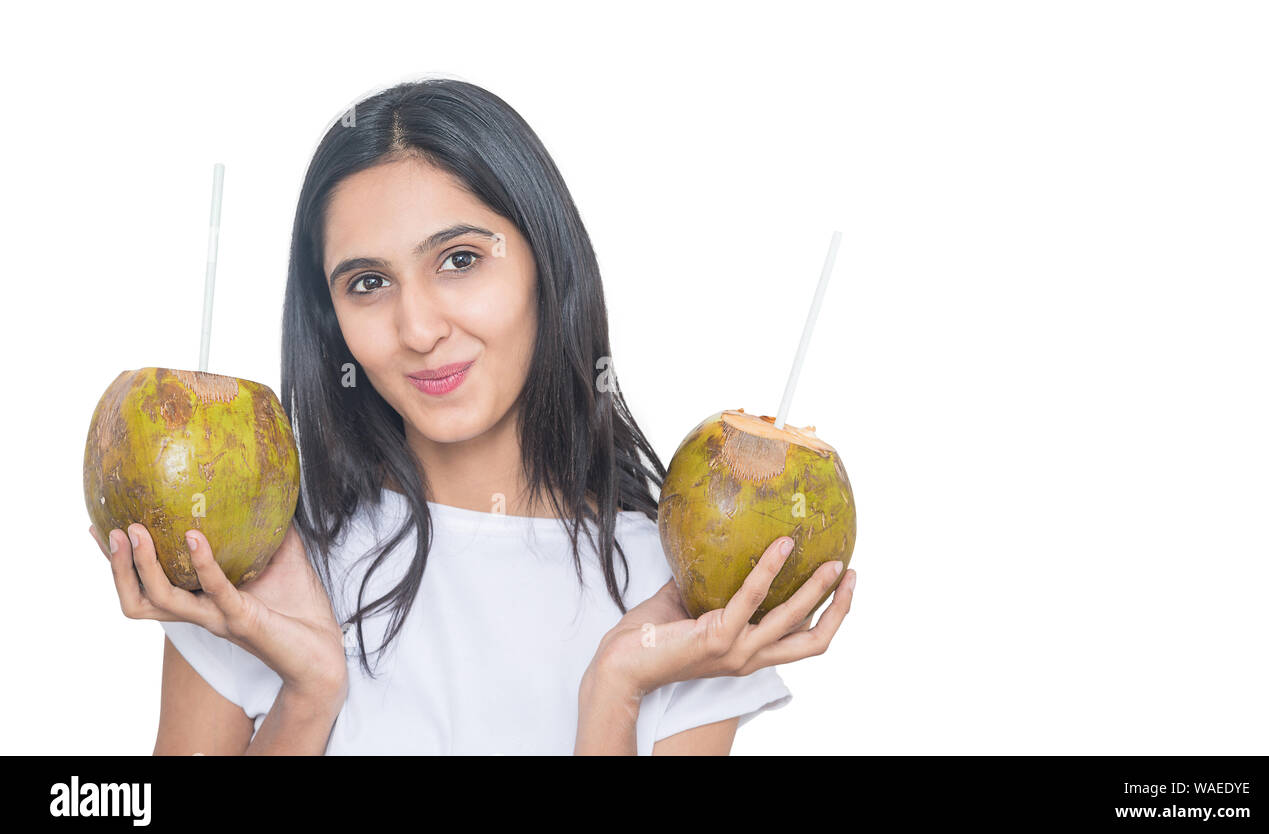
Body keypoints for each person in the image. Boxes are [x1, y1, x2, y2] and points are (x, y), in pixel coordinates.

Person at [87, 77, 856, 755]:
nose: (418, 330)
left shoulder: (676, 595)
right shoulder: (255, 568)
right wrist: (308, 694)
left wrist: (614, 692)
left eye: (459, 259)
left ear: (544, 264)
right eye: (366, 283)